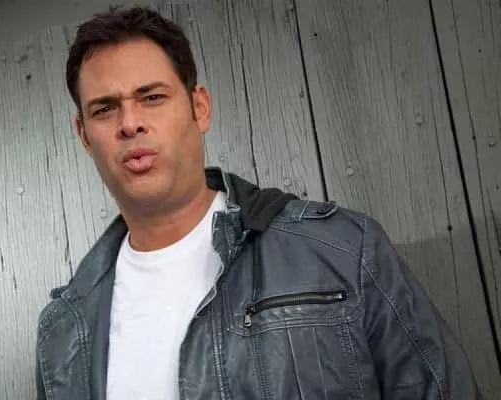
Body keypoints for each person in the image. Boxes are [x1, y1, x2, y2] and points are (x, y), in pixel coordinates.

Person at [35, 6, 480, 400]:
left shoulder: (342, 249)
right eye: (105, 109)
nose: (130, 123)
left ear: (199, 107)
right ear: (84, 136)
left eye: (152, 97)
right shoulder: (65, 331)